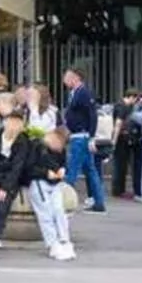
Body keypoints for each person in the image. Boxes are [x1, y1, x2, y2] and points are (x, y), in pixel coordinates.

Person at [0, 110, 33, 261]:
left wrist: (5, 187)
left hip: (10, 179)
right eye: (11, 121)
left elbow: (18, 168)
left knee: (3, 202)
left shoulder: (23, 141)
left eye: (17, 123)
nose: (13, 126)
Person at [61, 68, 107, 214]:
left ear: (76, 78)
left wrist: (91, 135)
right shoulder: (75, 93)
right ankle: (99, 203)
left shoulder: (83, 93)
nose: (64, 79)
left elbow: (92, 115)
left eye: (67, 76)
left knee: (73, 169)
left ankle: (64, 201)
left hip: (81, 136)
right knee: (90, 170)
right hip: (79, 135)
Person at [27, 126, 75, 261]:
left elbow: (63, 163)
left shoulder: (61, 151)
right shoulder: (36, 146)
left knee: (59, 211)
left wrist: (62, 170)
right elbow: (29, 168)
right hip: (39, 182)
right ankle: (52, 243)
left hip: (55, 184)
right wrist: (46, 173)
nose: (60, 149)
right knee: (45, 213)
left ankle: (64, 240)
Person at [110, 88, 141, 200]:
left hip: (121, 138)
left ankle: (119, 190)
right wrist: (114, 140)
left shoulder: (119, 105)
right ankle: (118, 190)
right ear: (131, 97)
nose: (136, 102)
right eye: (135, 99)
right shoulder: (123, 107)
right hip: (122, 139)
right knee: (120, 165)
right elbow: (118, 123)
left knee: (120, 164)